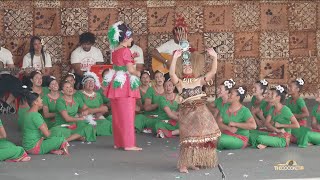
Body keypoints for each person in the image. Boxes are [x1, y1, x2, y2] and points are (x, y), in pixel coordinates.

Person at [170, 47, 221, 173]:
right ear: (181, 68)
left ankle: (192, 161)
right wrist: (175, 58)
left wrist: (214, 56)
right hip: (187, 114)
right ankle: (183, 164)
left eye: (189, 65)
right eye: (185, 65)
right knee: (188, 139)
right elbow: (171, 74)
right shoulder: (180, 83)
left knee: (204, 136)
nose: (187, 67)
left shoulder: (199, 80)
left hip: (202, 112)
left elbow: (213, 71)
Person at [104, 21, 142, 151]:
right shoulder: (126, 50)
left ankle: (119, 142)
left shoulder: (115, 51)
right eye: (130, 37)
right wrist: (138, 73)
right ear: (125, 37)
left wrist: (132, 57)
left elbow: (120, 64)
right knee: (127, 115)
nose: (132, 39)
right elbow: (130, 70)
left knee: (118, 115)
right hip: (125, 85)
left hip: (116, 83)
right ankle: (129, 144)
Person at [251, 85, 300, 149]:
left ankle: (267, 143)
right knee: (251, 132)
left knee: (260, 138)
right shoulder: (272, 108)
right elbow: (267, 123)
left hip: (283, 138)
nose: (269, 96)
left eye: (272, 94)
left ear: (278, 97)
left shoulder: (285, 109)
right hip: (274, 133)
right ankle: (267, 142)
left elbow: (297, 125)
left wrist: (281, 125)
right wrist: (276, 130)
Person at [22, 91, 69, 155]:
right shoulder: (35, 116)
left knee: (55, 132)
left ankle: (51, 148)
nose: (42, 100)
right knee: (60, 139)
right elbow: (47, 134)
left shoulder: (27, 113)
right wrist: (52, 131)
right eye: (40, 99)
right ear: (35, 102)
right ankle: (57, 148)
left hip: (26, 146)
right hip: (34, 148)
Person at [74, 71, 112, 136]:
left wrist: (95, 111)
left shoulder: (97, 95)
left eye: (92, 81)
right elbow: (84, 109)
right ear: (84, 84)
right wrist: (98, 110)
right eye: (88, 81)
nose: (90, 83)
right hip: (84, 117)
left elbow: (104, 109)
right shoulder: (79, 94)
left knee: (108, 123)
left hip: (97, 115)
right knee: (89, 125)